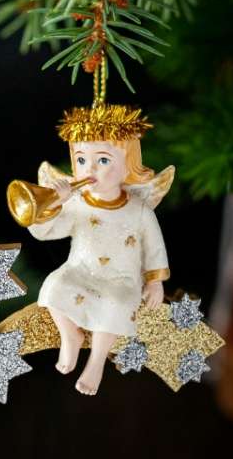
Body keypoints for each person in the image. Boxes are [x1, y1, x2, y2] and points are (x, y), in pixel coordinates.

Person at [27, 105, 172, 395]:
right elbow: (46, 232)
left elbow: (154, 247)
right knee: (53, 286)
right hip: (80, 271)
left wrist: (155, 281)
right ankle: (70, 336)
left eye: (103, 160)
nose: (89, 170)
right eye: (81, 159)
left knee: (115, 305)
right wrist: (55, 204)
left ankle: (96, 363)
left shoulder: (139, 210)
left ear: (128, 166)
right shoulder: (77, 203)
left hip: (121, 279)